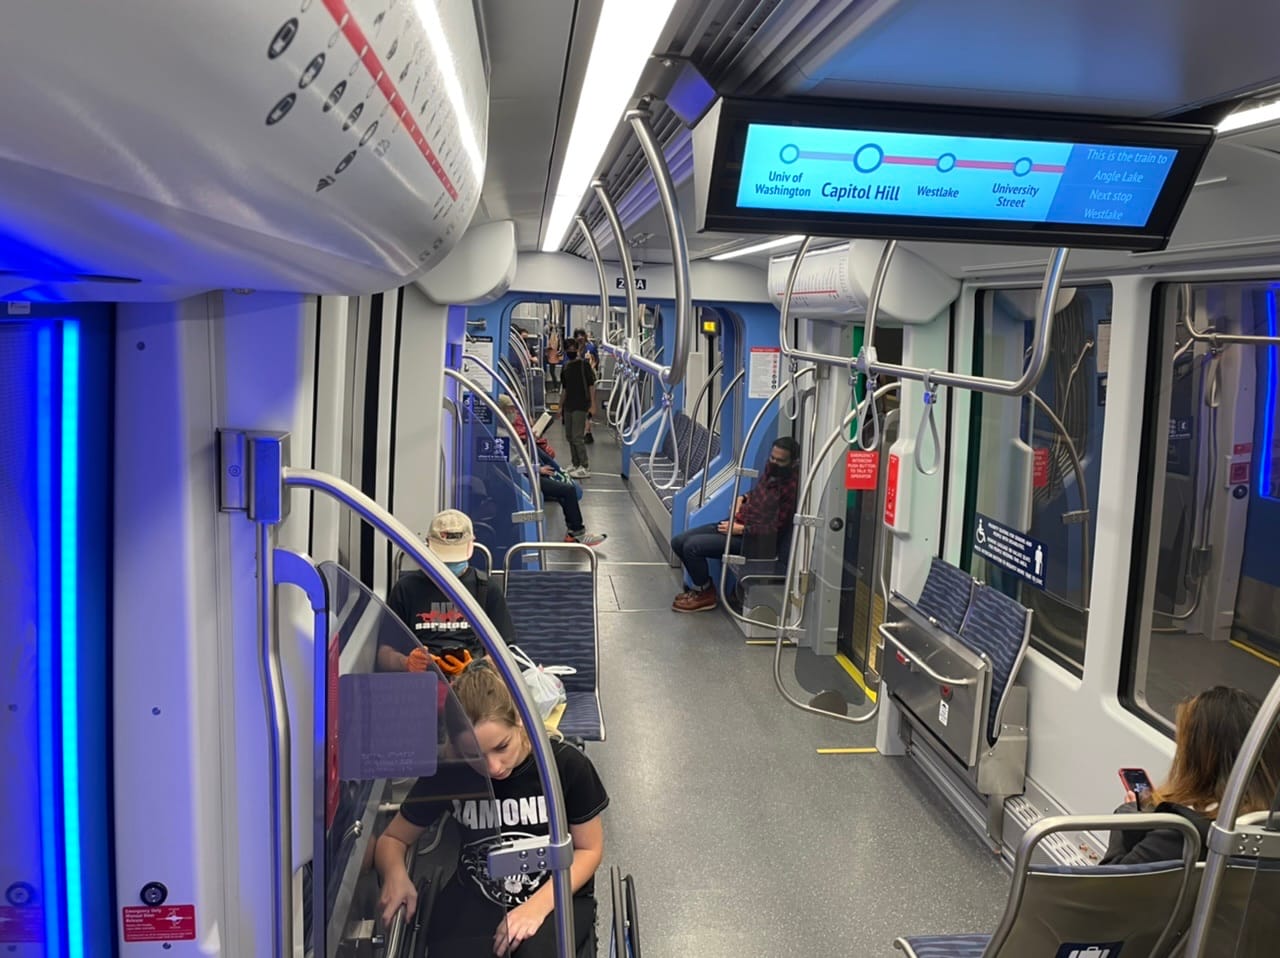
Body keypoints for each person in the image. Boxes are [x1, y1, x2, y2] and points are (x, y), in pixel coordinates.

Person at [375, 661, 609, 957]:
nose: (492, 767)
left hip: (556, 892)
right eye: (473, 754)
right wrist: (395, 875)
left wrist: (535, 908)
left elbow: (589, 851)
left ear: (520, 721)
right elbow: (392, 840)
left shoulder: (565, 766)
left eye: (502, 747)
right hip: (478, 893)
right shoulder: (451, 772)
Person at [1101, 686, 1280, 864]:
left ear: (1196, 760)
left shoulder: (1180, 836)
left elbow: (1106, 886)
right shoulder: (1269, 830)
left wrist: (1127, 820)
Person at [670, 437, 800, 613]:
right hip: (739, 523)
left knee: (692, 547)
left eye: (780, 460)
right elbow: (758, 492)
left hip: (753, 540)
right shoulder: (772, 471)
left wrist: (742, 530)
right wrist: (743, 498)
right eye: (772, 458)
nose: (774, 463)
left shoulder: (791, 487)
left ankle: (705, 594)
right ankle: (704, 588)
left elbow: (775, 529)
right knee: (679, 541)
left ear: (793, 462)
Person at [379, 510, 517, 674]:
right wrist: (406, 662)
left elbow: (507, 653)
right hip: (422, 680)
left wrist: (475, 668)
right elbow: (383, 654)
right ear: (428, 545)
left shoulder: (487, 589)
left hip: (475, 682)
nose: (450, 563)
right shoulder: (406, 589)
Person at [497, 395, 606, 547]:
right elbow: (514, 466)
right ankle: (576, 532)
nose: (513, 412)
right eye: (510, 409)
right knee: (567, 491)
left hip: (526, 471)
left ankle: (574, 530)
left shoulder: (508, 429)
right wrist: (538, 469)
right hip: (523, 477)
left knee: (562, 489)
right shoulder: (502, 435)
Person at [559, 341, 595, 478]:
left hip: (581, 405)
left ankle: (584, 466)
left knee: (577, 436)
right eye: (569, 349)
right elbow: (565, 389)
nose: (571, 351)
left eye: (573, 349)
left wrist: (593, 404)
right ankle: (575, 463)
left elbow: (591, 385)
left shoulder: (584, 365)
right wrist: (560, 406)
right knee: (569, 436)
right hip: (568, 405)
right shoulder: (566, 367)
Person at [572, 329, 598, 445]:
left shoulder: (590, 347)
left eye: (582, 335)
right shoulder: (575, 348)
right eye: (578, 336)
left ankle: (587, 432)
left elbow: (595, 361)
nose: (580, 338)